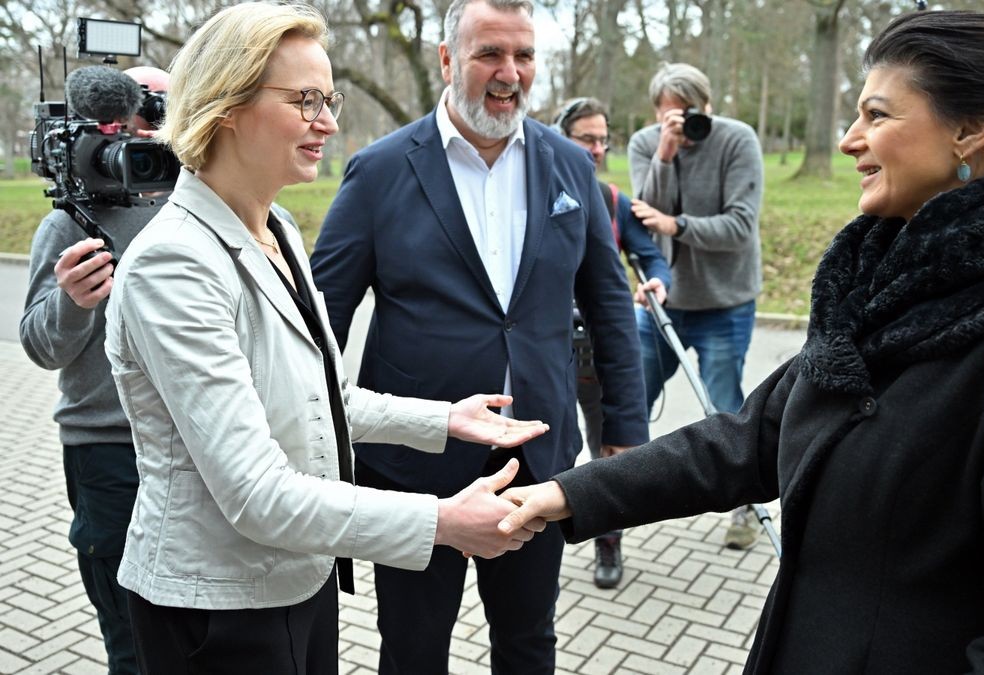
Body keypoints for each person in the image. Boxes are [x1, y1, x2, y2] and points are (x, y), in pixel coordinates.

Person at [498, 10, 984, 673]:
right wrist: (566, 494)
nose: (850, 140)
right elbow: (749, 436)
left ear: (970, 130)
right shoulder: (879, 292)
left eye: (877, 115)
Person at [102, 4, 549, 673]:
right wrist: (440, 521)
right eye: (305, 99)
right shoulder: (175, 263)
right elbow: (254, 492)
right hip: (220, 609)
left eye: (329, 98)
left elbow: (324, 398)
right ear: (227, 105)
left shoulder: (276, 226)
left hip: (298, 580)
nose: (330, 122)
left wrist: (446, 420)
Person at [308, 0, 648, 671]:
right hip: (414, 469)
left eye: (524, 55)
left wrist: (626, 429)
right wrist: (309, 435)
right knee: (412, 649)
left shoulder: (569, 165)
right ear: (446, 59)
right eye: (490, 53)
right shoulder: (380, 171)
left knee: (527, 643)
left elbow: (609, 302)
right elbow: (319, 321)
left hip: (539, 458)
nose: (510, 72)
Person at [20, 64, 168, 675]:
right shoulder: (69, 221)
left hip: (200, 447)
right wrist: (72, 303)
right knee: (132, 640)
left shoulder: (205, 205)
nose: (151, 118)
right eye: (142, 104)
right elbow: (39, 344)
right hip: (108, 453)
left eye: (163, 104)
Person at [627, 62, 765, 550]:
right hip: (664, 301)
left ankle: (745, 508)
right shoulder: (647, 143)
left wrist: (676, 225)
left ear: (707, 106)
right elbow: (639, 221)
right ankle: (614, 501)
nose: (681, 126)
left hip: (726, 301)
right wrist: (664, 156)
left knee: (723, 408)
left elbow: (740, 227)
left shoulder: (737, 139)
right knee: (629, 394)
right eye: (669, 117)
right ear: (656, 114)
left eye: (689, 114)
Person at [553, 96, 670, 588]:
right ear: (562, 138)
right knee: (554, 452)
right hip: (549, 356)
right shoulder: (534, 190)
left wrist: (658, 281)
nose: (598, 148)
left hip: (601, 355)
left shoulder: (613, 199)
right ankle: (538, 547)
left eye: (604, 139)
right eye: (588, 138)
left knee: (610, 452)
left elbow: (650, 256)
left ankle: (608, 543)